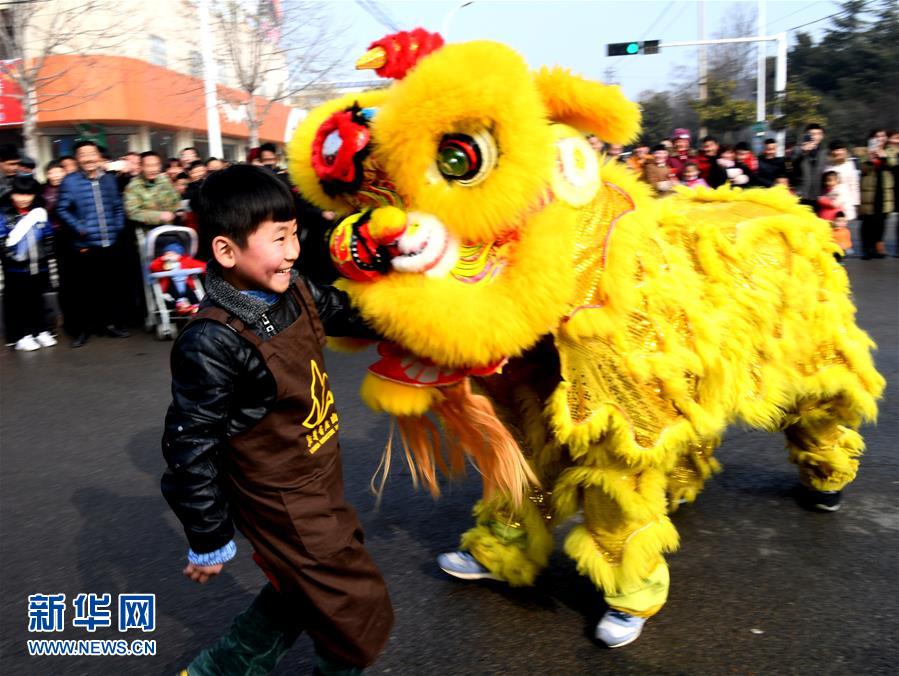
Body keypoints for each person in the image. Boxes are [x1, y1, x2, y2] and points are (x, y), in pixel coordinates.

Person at [161, 165, 393, 675]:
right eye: (279, 238)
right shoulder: (211, 340)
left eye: (294, 235)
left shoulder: (296, 289)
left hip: (316, 474)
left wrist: (418, 320)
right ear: (226, 252)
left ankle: (216, 671)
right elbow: (188, 443)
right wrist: (208, 536)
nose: (293, 250)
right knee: (352, 607)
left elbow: (345, 311)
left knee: (302, 587)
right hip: (279, 498)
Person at [55, 140, 129, 347]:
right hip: (84, 244)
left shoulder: (109, 180)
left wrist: (117, 226)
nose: (88, 158)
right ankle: (82, 330)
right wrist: (80, 227)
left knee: (109, 288)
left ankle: (110, 325)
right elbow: (61, 209)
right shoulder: (69, 181)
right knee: (83, 291)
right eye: (83, 154)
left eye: (92, 153)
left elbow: (117, 207)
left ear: (99, 156)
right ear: (78, 159)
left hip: (110, 242)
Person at [0, 175, 57, 351]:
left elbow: (48, 236)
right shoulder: (4, 215)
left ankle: (40, 330)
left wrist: (47, 255)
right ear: (11, 194)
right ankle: (21, 335)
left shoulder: (40, 213)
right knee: (18, 302)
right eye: (19, 194)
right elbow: (1, 240)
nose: (23, 198)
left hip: (39, 266)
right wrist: (12, 258)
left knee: (38, 300)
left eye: (28, 194)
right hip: (16, 269)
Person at [858, 129, 896, 259]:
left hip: (884, 192)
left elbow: (893, 163)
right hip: (869, 192)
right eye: (876, 136)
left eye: (882, 136)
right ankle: (866, 248)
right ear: (871, 138)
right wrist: (870, 158)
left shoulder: (890, 150)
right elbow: (862, 168)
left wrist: (884, 156)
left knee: (881, 222)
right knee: (867, 222)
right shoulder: (865, 151)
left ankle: (876, 247)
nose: (880, 138)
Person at [124, 151, 181, 230]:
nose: (153, 169)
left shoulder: (165, 180)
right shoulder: (133, 186)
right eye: (148, 166)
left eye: (156, 165)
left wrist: (179, 210)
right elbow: (132, 212)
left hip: (170, 229)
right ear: (141, 167)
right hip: (148, 233)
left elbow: (175, 200)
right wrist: (159, 216)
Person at [791, 123, 828, 206]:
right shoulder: (797, 149)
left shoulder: (824, 152)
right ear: (806, 135)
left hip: (818, 196)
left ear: (822, 136)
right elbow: (790, 165)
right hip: (801, 195)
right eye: (812, 134)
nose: (815, 137)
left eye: (818, 134)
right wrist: (803, 151)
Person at [824, 140, 859, 222]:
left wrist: (856, 203)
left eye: (841, 150)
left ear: (845, 151)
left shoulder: (850, 165)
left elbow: (854, 185)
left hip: (846, 203)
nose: (838, 152)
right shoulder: (827, 167)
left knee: (844, 231)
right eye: (835, 150)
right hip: (831, 203)